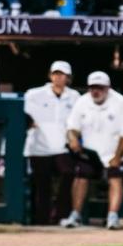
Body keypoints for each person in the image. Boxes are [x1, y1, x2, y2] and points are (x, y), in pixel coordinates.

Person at [60, 71, 123, 230]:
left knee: (115, 175)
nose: (96, 91)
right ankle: (75, 215)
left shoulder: (121, 103)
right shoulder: (82, 102)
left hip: (117, 152)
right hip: (92, 152)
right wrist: (73, 139)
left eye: (99, 88)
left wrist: (117, 157)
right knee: (81, 173)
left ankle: (112, 216)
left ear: (108, 88)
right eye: (92, 88)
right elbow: (72, 128)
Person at [24, 61, 79, 226]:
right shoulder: (34, 94)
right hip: (39, 147)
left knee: (68, 173)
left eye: (61, 74)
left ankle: (60, 215)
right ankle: (42, 220)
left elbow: (76, 121)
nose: (58, 77)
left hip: (62, 146)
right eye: (55, 74)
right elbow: (27, 116)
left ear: (68, 78)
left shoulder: (75, 96)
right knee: (42, 184)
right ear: (50, 75)